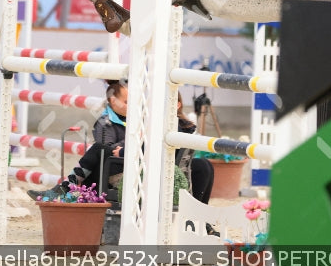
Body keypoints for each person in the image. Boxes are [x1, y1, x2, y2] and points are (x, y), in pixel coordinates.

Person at [26, 81, 214, 205]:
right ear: (112, 101)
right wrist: (129, 144)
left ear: (176, 105)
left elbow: (148, 148)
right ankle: (68, 190)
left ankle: (66, 190)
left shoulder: (159, 123)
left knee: (99, 151)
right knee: (204, 165)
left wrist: (124, 150)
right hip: (130, 164)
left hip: (136, 169)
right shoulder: (182, 125)